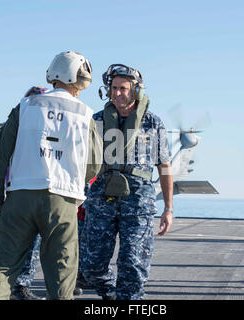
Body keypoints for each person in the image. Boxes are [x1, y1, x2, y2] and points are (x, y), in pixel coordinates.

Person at [0, 51, 102, 300]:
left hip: (20, 197)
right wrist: (74, 182)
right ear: (80, 80)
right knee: (62, 275)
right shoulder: (85, 114)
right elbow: (94, 165)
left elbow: (1, 154)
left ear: (53, 74)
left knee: (0, 267)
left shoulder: (25, 106)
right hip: (63, 201)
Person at [81, 64, 173, 300]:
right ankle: (111, 292)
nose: (117, 93)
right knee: (91, 266)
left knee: (133, 264)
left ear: (136, 91)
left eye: (123, 88)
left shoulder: (153, 123)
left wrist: (168, 209)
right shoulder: (96, 121)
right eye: (113, 88)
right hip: (101, 200)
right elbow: (81, 162)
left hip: (139, 203)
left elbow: (164, 167)